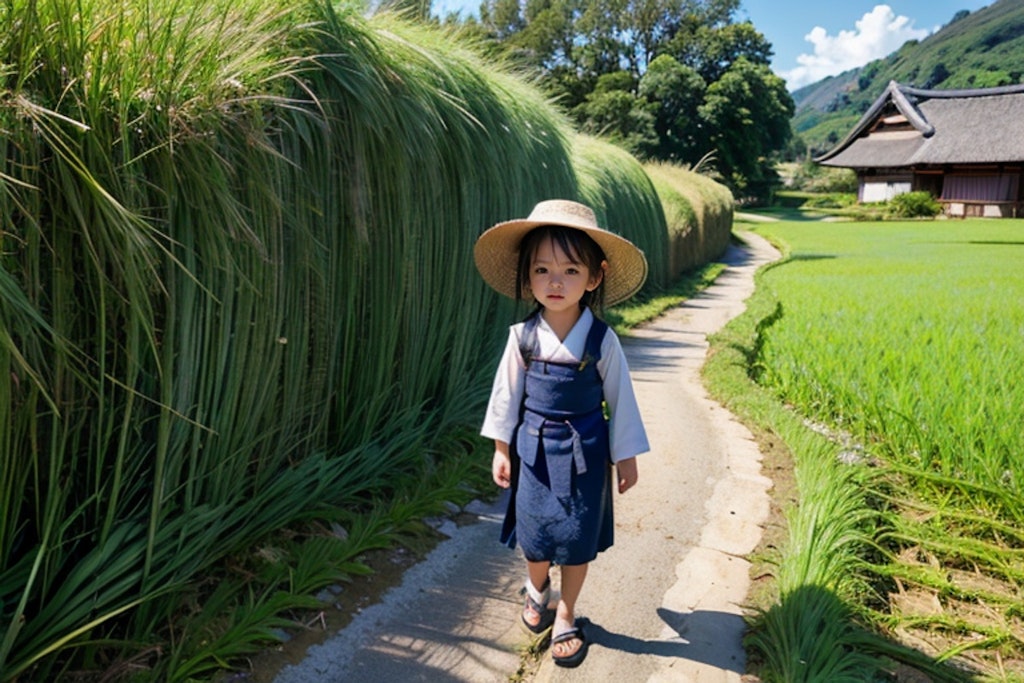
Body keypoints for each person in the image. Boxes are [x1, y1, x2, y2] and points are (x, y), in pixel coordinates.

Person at [473, 199, 651, 668]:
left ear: (594, 277)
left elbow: (622, 400)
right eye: (543, 269)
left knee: (577, 536)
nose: (556, 282)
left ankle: (568, 613)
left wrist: (626, 456)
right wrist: (500, 448)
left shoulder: (601, 340)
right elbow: (505, 397)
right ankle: (537, 586)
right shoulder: (522, 338)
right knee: (533, 534)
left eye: (571, 270)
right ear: (526, 276)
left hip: (586, 454)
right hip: (531, 451)